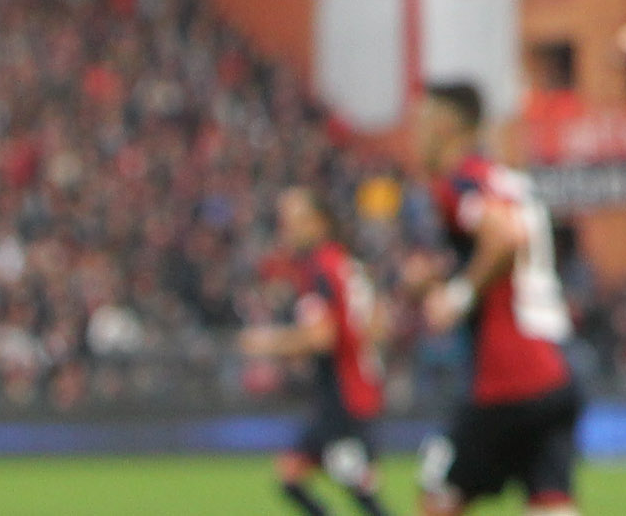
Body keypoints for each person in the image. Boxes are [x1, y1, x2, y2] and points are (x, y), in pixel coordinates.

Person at [409, 81, 580, 514]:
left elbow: (505, 236)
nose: (417, 134)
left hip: (505, 376)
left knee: (436, 497)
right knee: (549, 501)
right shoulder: (503, 178)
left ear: (447, 125)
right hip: (552, 371)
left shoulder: (461, 181)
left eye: (423, 121)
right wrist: (442, 278)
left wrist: (456, 295)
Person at [239, 186, 392, 516]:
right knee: (298, 475)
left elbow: (321, 338)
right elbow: (376, 322)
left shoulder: (320, 268)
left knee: (341, 481)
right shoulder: (344, 263)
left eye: (295, 220)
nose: (287, 229)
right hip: (355, 387)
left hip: (344, 394)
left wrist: (266, 343)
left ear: (319, 223)